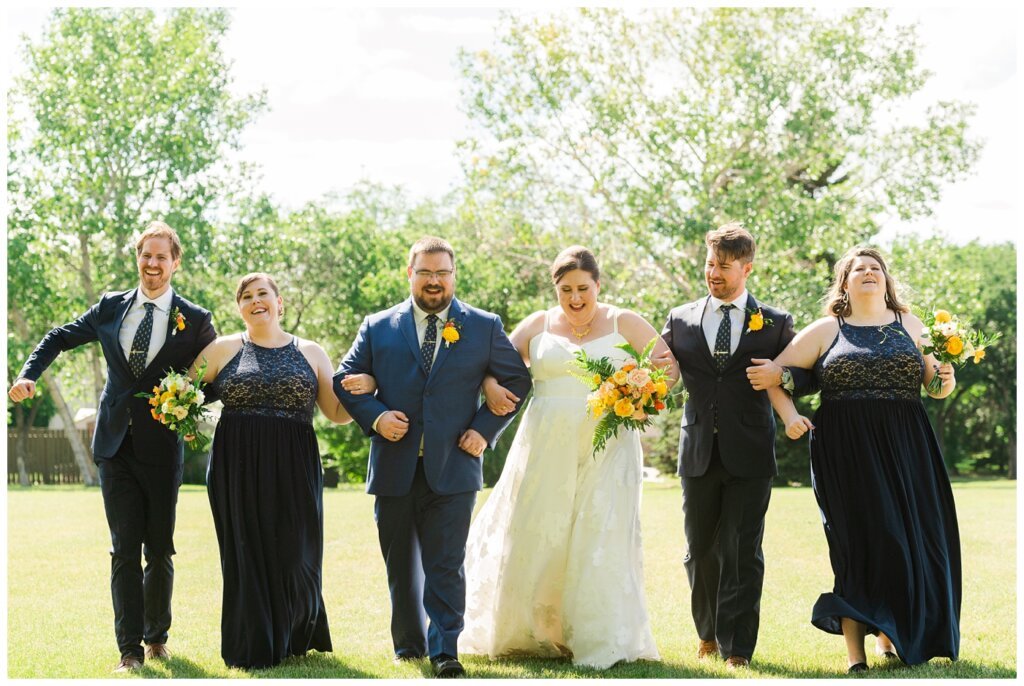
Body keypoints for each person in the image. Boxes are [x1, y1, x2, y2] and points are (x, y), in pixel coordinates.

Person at [8, 221, 216, 672]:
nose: (152, 263)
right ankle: (129, 650)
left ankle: (157, 635)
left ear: (175, 262)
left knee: (159, 548)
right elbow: (59, 337)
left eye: (162, 256)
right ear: (137, 257)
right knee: (124, 546)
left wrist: (191, 400)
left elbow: (214, 377)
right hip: (114, 446)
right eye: (146, 254)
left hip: (163, 451)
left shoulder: (196, 320)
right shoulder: (110, 307)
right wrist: (29, 374)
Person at [458, 246, 677, 669]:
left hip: (608, 442)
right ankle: (533, 629)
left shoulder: (624, 320)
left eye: (583, 289)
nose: (575, 298)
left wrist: (640, 395)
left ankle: (597, 634)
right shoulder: (538, 323)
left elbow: (667, 367)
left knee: (600, 530)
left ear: (598, 284)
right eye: (566, 290)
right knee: (540, 528)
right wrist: (488, 384)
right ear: (555, 288)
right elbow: (492, 359)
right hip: (545, 441)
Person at [333, 236, 532, 678]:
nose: (434, 281)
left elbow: (518, 378)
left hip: (455, 466)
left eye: (442, 272)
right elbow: (342, 378)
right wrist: (377, 417)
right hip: (393, 464)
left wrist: (484, 430)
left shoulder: (482, 325)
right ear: (410, 274)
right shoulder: (378, 325)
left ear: (454, 275)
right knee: (401, 566)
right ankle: (407, 646)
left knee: (446, 564)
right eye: (425, 272)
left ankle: (445, 651)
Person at [755, 246, 961, 673]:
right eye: (859, 269)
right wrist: (791, 417)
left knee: (905, 539)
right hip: (844, 449)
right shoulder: (828, 329)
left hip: (908, 445)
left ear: (886, 280)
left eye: (876, 268)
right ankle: (856, 656)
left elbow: (935, 387)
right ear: (844, 283)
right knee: (856, 542)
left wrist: (947, 377)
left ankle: (892, 636)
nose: (869, 273)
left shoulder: (912, 325)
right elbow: (773, 375)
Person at [193, 273, 369, 669]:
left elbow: (335, 414)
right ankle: (252, 643)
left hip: (295, 461)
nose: (256, 302)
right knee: (246, 550)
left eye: (263, 294)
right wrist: (182, 424)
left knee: (297, 551)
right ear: (239, 308)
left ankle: (294, 636)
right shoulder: (220, 350)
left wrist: (365, 388)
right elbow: (180, 395)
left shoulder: (312, 352)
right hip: (236, 464)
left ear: (279, 301)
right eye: (247, 297)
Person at [659, 223, 805, 670]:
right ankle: (706, 633)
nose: (713, 273)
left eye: (723, 266)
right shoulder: (680, 317)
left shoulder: (777, 322)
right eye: (709, 264)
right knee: (699, 550)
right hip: (698, 450)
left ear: (747, 268)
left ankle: (737, 646)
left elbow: (799, 376)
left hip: (751, 453)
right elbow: (662, 377)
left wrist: (782, 382)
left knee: (742, 551)